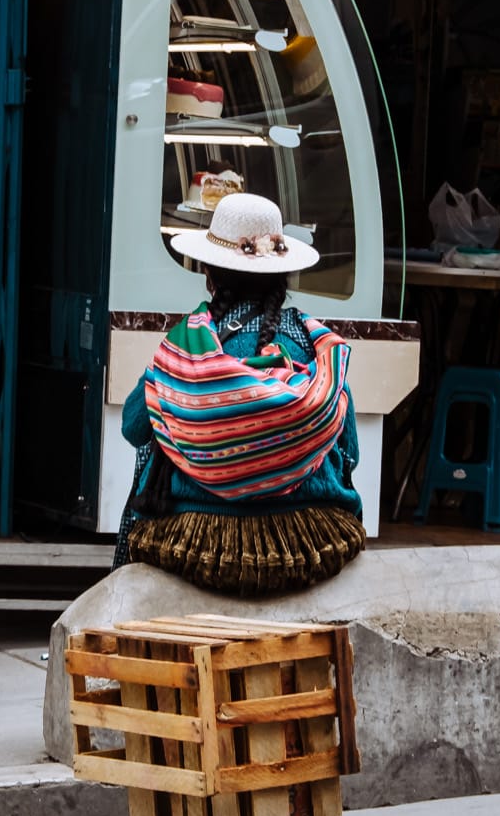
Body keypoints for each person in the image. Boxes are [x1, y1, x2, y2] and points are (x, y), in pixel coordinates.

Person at [115, 193, 364, 595]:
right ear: (284, 276)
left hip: (197, 538)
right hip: (308, 538)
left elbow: (133, 427)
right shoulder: (313, 342)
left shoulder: (188, 345)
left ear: (210, 275)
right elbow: (349, 451)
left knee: (160, 434)